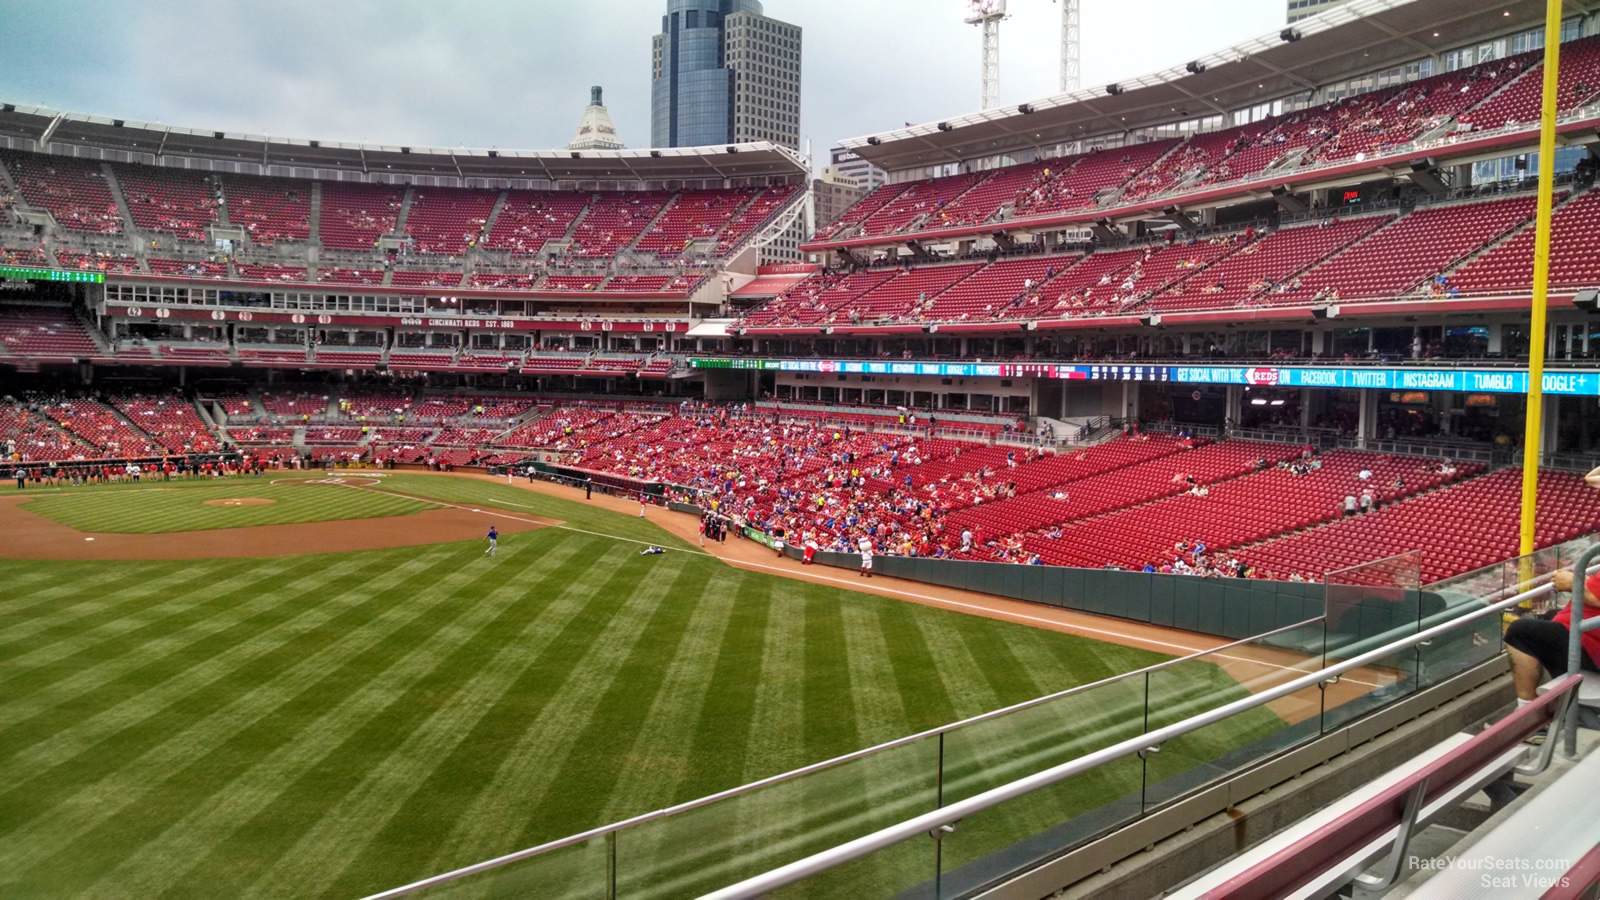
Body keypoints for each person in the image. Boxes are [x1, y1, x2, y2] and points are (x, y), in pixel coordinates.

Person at [1505, 567, 1599, 724]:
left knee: (1519, 632)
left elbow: (1595, 597)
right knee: (1548, 617)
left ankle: (1529, 718)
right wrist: (1588, 583)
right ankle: (1554, 705)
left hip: (1592, 648)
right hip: (1586, 635)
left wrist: (1574, 582)